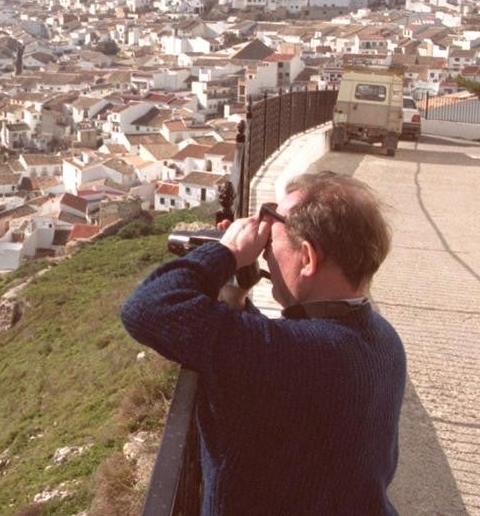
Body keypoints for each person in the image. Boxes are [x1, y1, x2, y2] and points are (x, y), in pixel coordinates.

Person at [121, 171, 406, 515]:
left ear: (308, 258)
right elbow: (279, 357)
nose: (266, 254)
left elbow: (146, 308)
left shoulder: (293, 356)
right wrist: (236, 299)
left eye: (272, 243)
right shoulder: (382, 339)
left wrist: (225, 253)